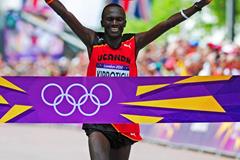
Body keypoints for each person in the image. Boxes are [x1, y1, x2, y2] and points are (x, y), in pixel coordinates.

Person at [45, 0, 212, 160]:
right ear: (102, 22)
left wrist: (197, 6)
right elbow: (66, 14)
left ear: (125, 23)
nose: (114, 23)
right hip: (98, 117)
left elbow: (165, 24)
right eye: (110, 19)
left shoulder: (133, 43)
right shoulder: (93, 40)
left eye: (119, 19)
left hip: (124, 119)